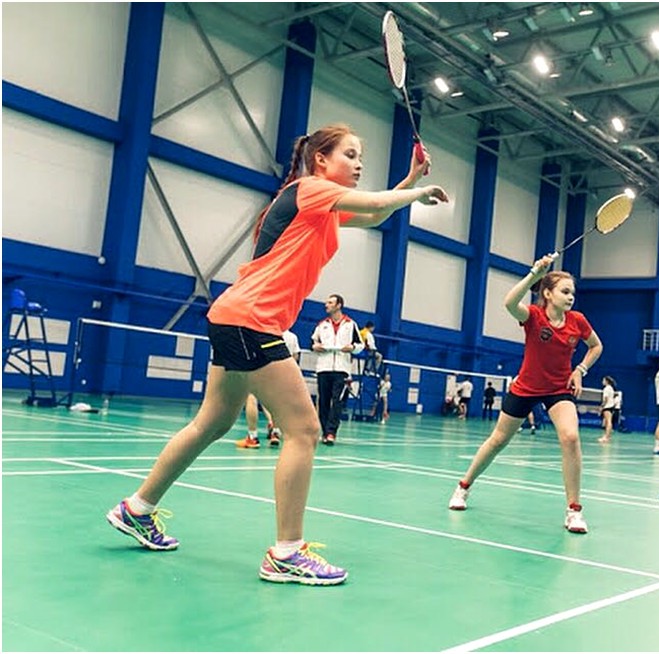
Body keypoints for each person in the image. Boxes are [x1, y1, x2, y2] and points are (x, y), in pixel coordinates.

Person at [104, 124, 447, 586]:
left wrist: (408, 182)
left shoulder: (322, 207)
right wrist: (416, 191)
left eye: (360, 156)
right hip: (253, 320)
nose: (359, 163)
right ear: (321, 160)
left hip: (233, 316)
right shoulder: (310, 189)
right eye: (350, 154)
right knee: (304, 430)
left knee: (211, 423)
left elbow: (374, 215)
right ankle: (286, 553)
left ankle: (137, 509)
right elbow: (375, 203)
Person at [448, 255, 603, 533]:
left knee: (570, 438)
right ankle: (463, 487)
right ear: (548, 293)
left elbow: (596, 346)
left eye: (572, 293)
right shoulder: (534, 316)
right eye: (565, 291)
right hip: (527, 387)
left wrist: (580, 369)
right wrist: (534, 274)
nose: (571, 297)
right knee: (498, 440)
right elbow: (509, 303)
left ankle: (574, 510)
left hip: (559, 389)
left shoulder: (577, 321)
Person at [312, 294, 364, 446]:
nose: (326, 305)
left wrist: (352, 348)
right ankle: (324, 431)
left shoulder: (350, 324)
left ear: (339, 305)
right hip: (323, 368)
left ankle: (331, 432)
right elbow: (313, 342)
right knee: (323, 401)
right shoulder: (322, 325)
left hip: (342, 370)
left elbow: (360, 345)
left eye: (330, 302)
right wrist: (315, 347)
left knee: (337, 401)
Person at [236, 329, 301, 449]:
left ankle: (252, 437)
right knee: (275, 402)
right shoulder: (292, 336)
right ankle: (275, 432)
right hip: (282, 372)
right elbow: (295, 357)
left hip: (260, 368)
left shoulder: (261, 331)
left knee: (251, 397)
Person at [598, 376, 617, 443]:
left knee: (608, 422)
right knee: (608, 422)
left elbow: (605, 399)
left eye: (603, 380)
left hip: (607, 407)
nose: (602, 382)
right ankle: (607, 437)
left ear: (606, 381)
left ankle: (606, 437)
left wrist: (601, 407)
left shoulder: (606, 389)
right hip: (611, 406)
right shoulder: (611, 388)